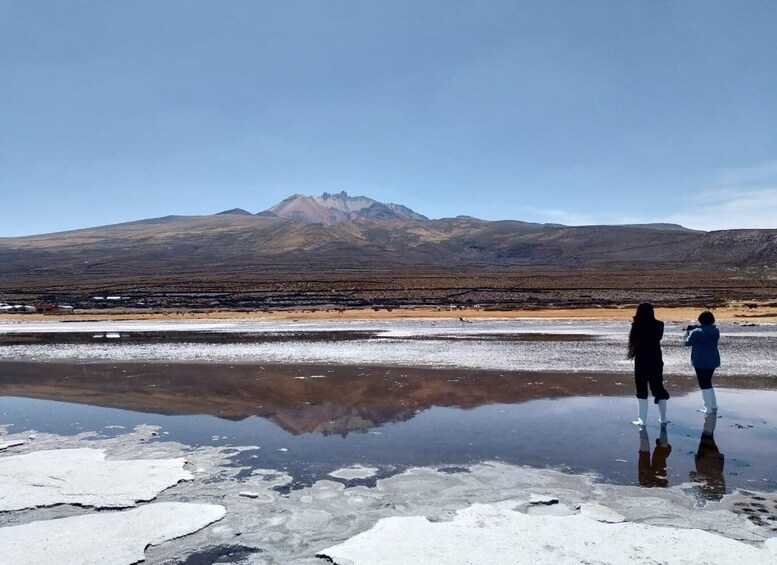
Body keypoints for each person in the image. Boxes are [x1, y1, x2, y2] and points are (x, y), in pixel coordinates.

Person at [627, 303, 670, 426]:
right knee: (658, 386)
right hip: (656, 357)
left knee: (641, 387)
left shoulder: (637, 325)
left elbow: (633, 341)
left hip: (641, 358)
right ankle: (663, 418)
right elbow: (658, 338)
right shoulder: (659, 325)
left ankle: (642, 420)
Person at [683, 311, 721, 413]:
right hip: (713, 360)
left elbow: (687, 343)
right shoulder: (716, 330)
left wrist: (686, 333)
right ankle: (713, 405)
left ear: (701, 320)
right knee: (708, 382)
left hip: (700, 361)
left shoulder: (697, 332)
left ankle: (707, 408)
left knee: (703, 384)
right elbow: (704, 327)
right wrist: (693, 327)